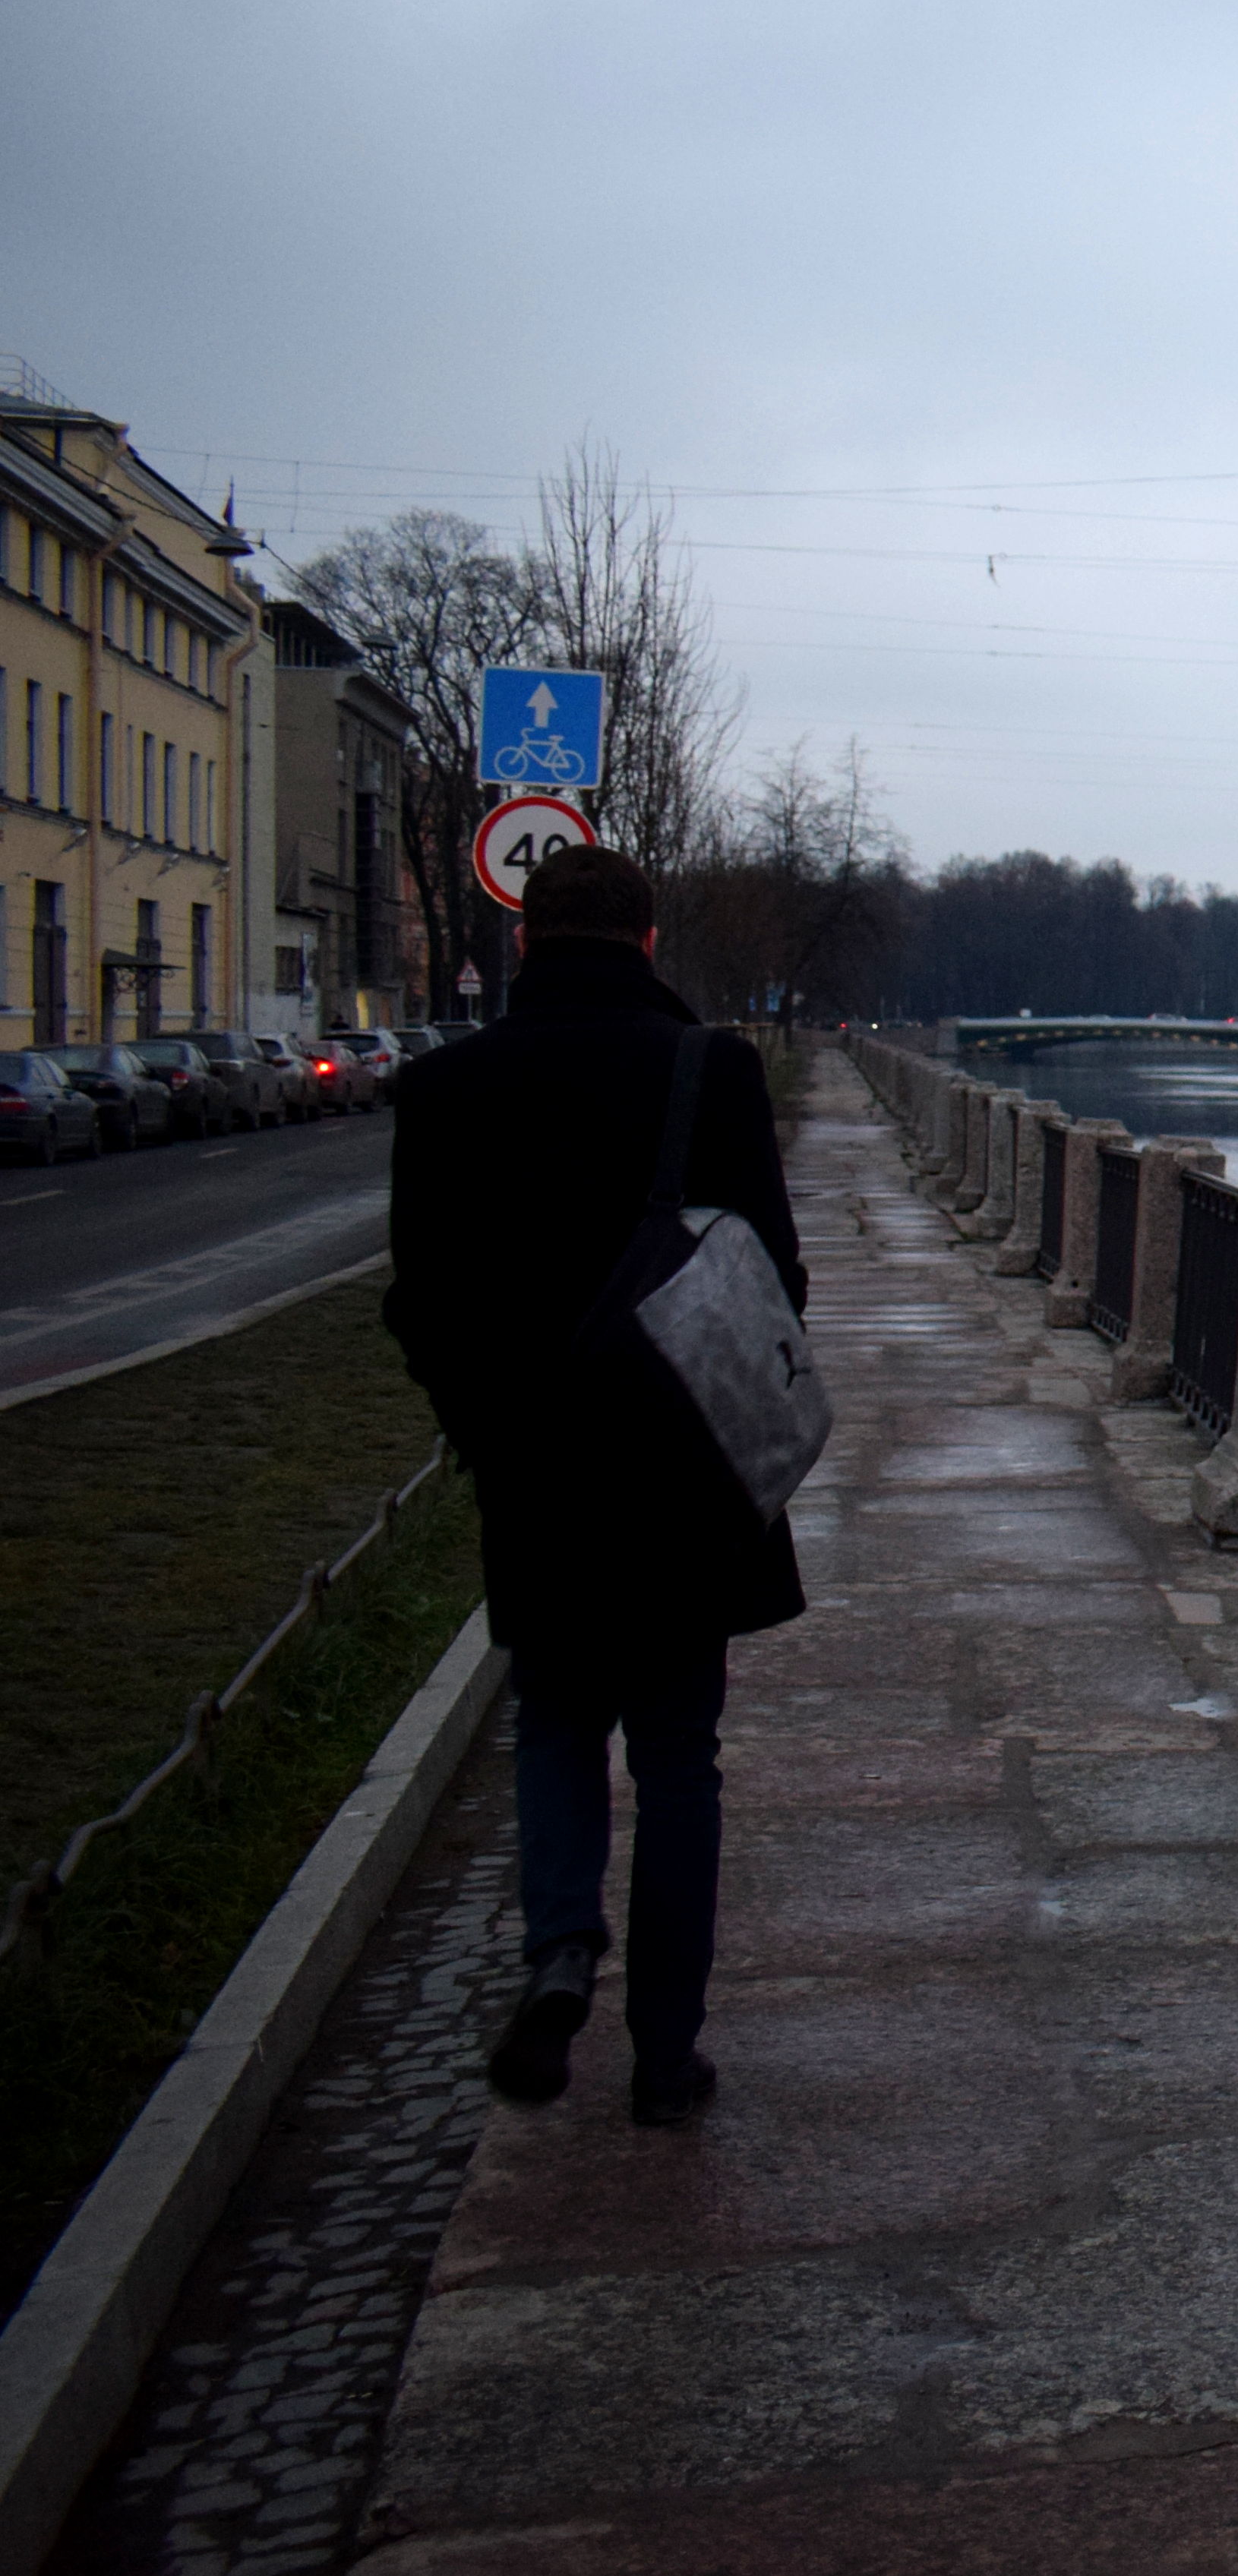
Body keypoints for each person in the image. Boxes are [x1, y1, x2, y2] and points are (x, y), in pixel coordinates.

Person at [387, 844, 806, 2126]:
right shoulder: (709, 1072)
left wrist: (488, 1432)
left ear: (521, 941)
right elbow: (774, 1281)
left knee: (557, 1722)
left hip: (537, 1468)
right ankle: (667, 2053)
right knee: (680, 1756)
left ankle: (559, 1953)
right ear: (650, 939)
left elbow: (421, 1302)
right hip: (681, 1476)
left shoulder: (443, 1084)